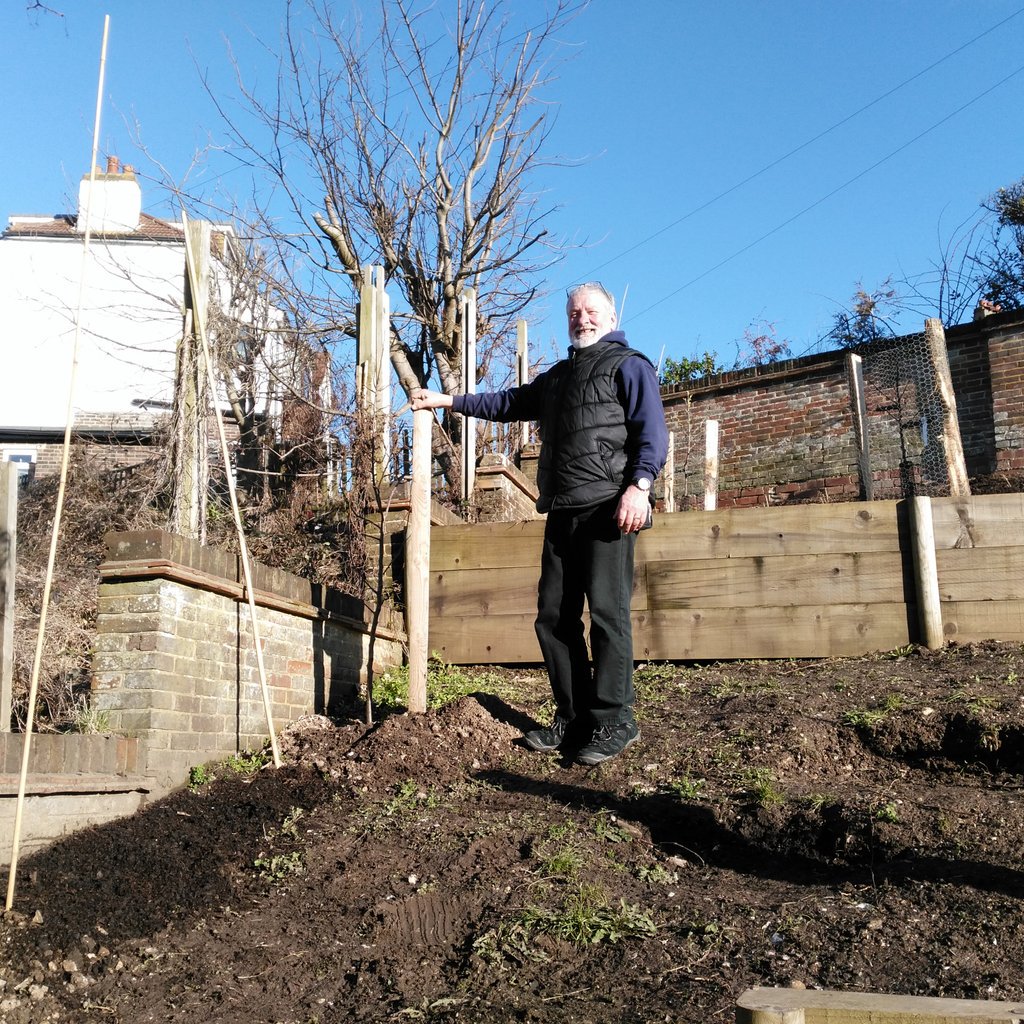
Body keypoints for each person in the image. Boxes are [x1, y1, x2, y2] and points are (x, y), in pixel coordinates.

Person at [410, 282, 668, 765]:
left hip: (610, 508)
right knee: (553, 616)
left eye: (592, 311)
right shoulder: (557, 379)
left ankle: (615, 719)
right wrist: (449, 402)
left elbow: (651, 430)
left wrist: (640, 487)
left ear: (610, 318)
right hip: (563, 509)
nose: (582, 319)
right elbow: (508, 403)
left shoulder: (630, 366)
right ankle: (573, 719)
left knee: (608, 616)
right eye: (575, 312)